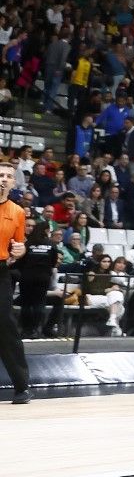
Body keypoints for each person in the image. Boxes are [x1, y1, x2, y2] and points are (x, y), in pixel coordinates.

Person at [0, 163, 28, 403]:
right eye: (0, 175)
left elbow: (18, 246)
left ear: (13, 183)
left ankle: (21, 386)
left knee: (6, 325)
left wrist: (20, 251)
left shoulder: (18, 211)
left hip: (0, 272)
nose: (4, 179)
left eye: (8, 176)